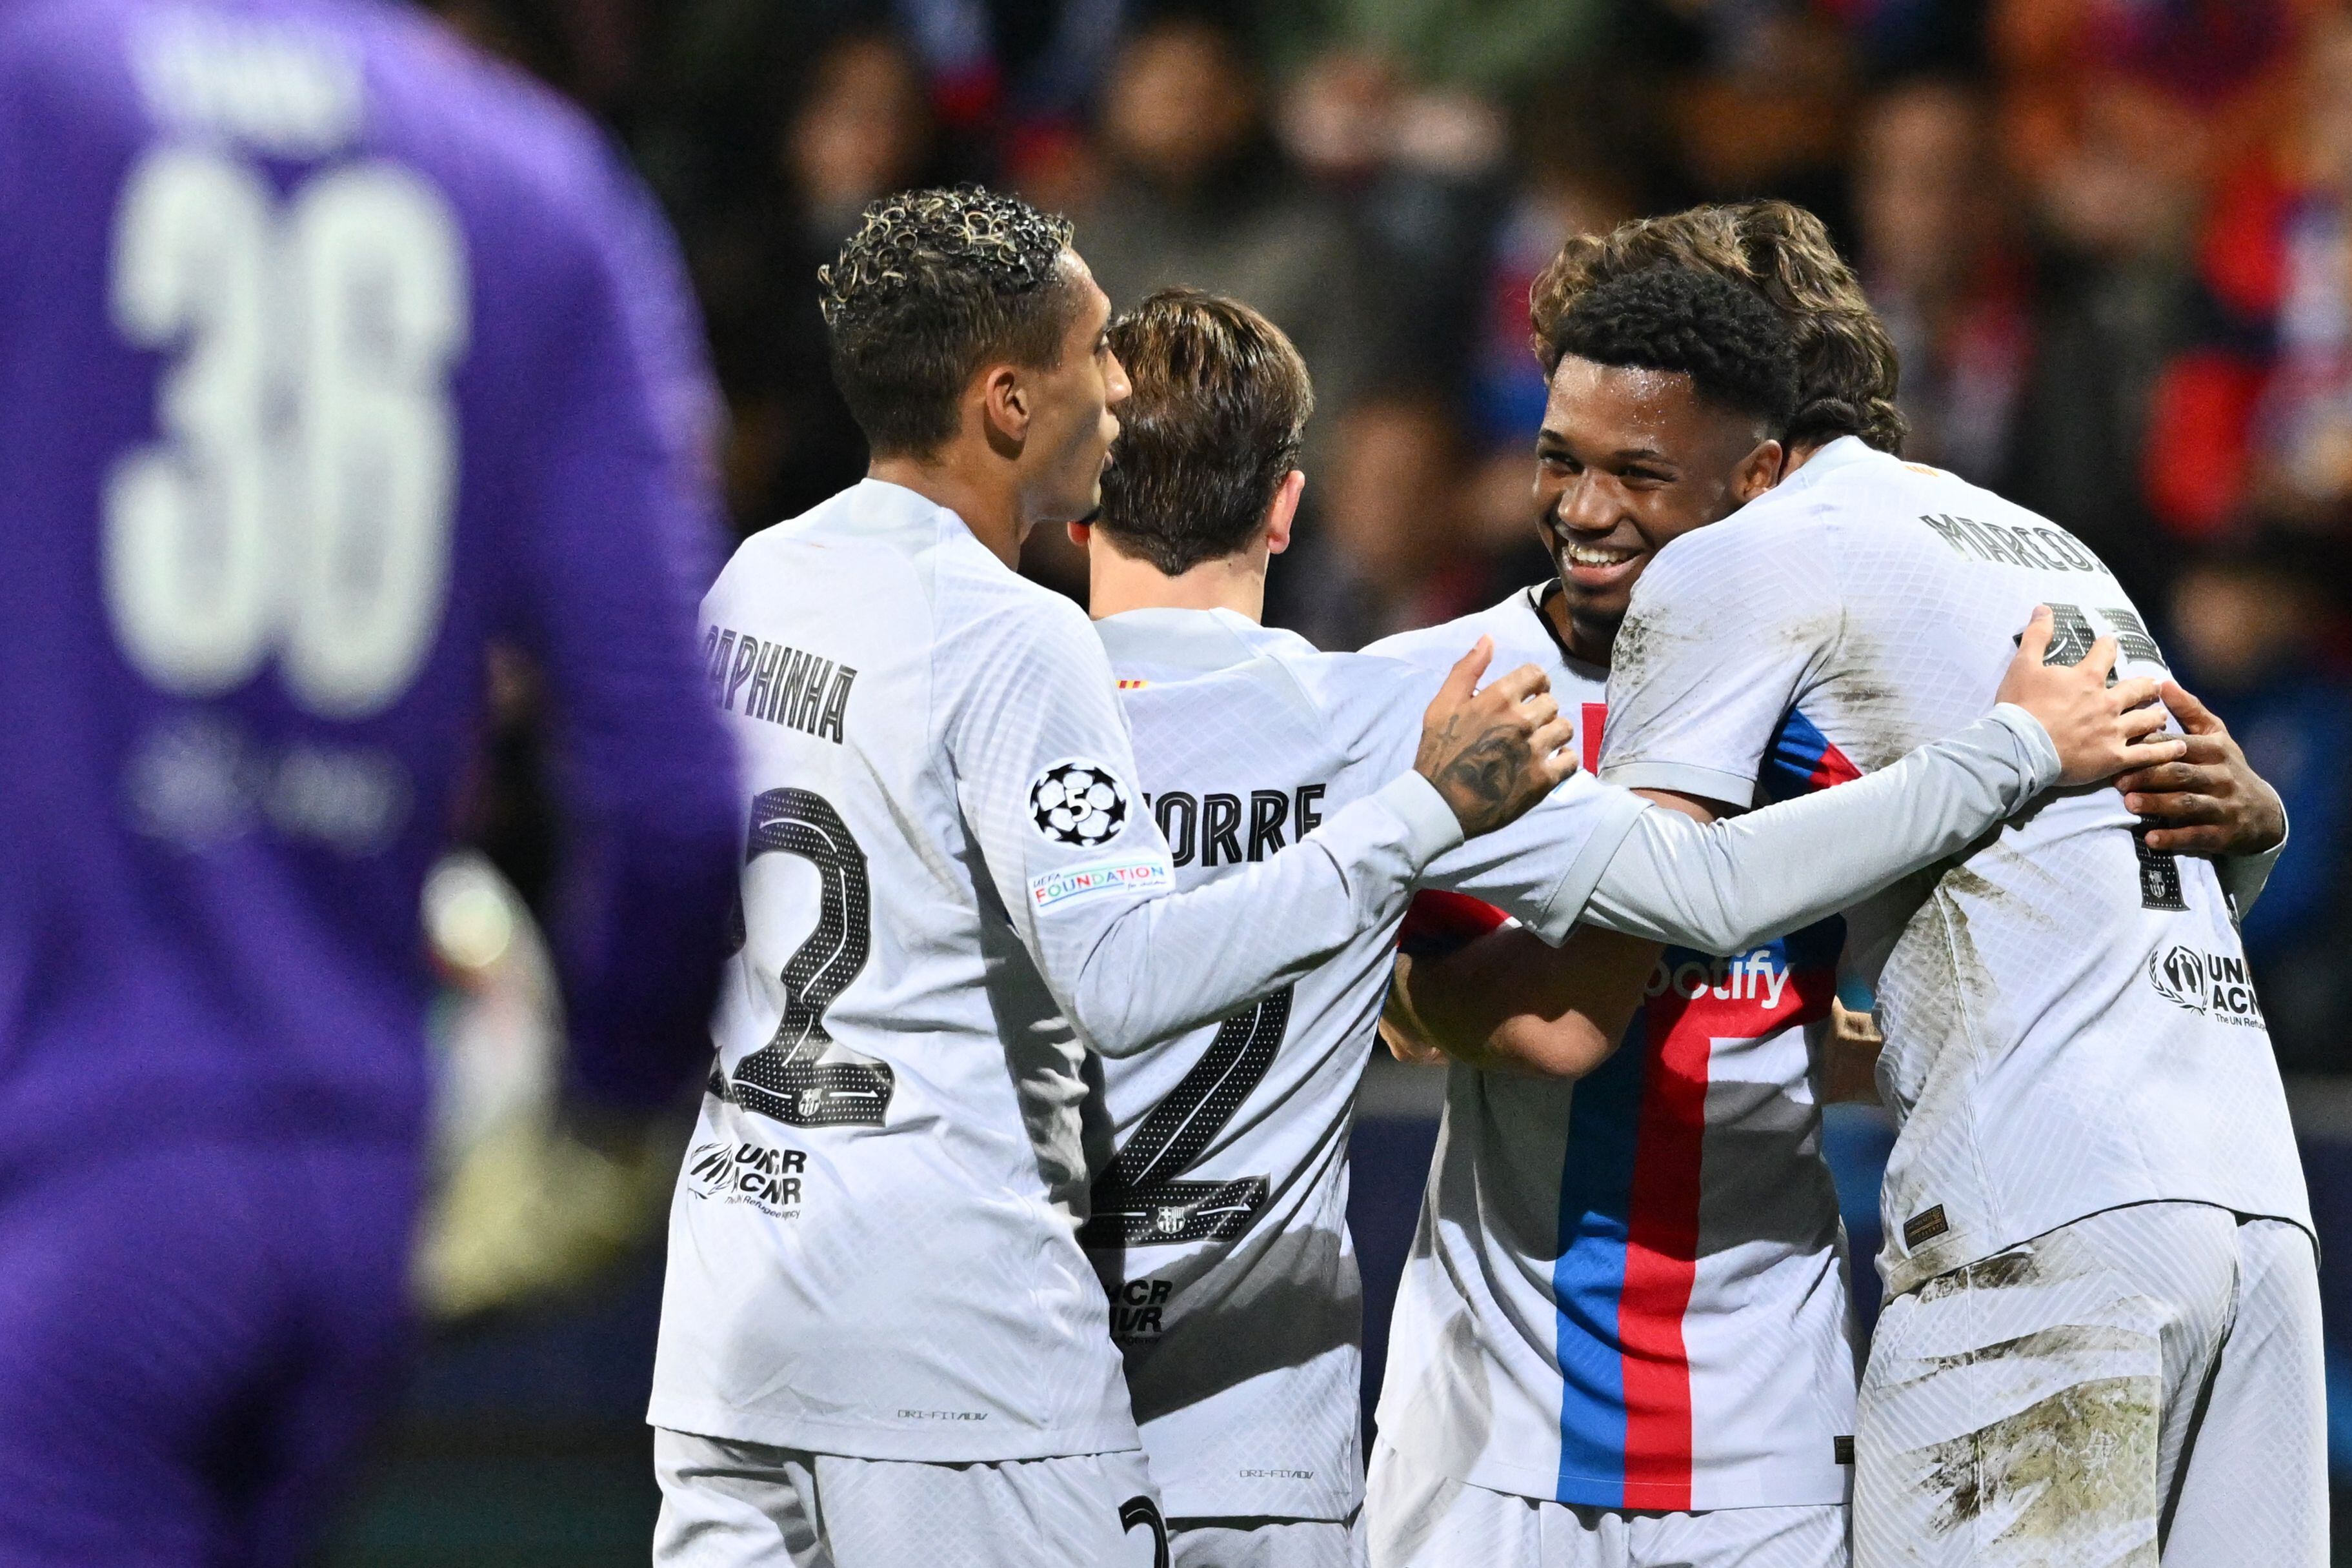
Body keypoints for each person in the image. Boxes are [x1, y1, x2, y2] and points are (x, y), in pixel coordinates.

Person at [1075, 283, 2188, 1568]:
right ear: (1285, 501)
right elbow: (1584, 982)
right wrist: (2013, 749)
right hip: (1455, 1426)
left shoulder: (1833, 704)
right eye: (1558, 460)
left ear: (1753, 482)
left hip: (1750, 1403)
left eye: (1637, 471)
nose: (1584, 508)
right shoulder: (1434, 705)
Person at [643, 185, 1593, 1568]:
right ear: (1008, 403)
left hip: (733, 1307)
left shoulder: (754, 582)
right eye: (1094, 356)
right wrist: (1418, 815)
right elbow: (1129, 976)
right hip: (950, 1342)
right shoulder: (1015, 640)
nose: (1116, 390)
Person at [0, 1, 744, 1563]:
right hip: (347, 1192)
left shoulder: (34, 86)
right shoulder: (544, 192)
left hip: (58, 1174)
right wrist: (607, 1122)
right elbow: (678, 801)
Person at [1481, 202, 2311, 1567]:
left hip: (2034, 1219)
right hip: (2247, 1213)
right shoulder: (2037, 545)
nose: (1589, 499)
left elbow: (1653, 895)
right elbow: (2132, 871)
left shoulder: (1742, 555)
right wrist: (2259, 836)